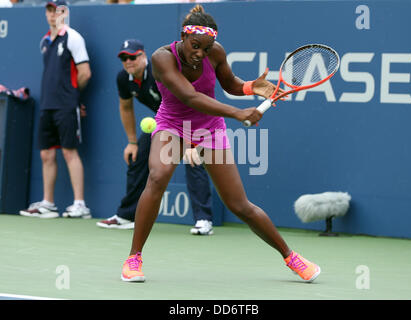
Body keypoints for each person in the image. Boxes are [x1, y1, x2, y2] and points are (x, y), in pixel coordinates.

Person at [121, 4, 321, 283]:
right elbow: (190, 97)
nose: (200, 53)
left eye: (206, 47)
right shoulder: (161, 58)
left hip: (208, 128)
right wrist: (238, 113)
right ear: (182, 37)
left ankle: (291, 257)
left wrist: (251, 87)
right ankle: (134, 258)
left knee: (239, 205)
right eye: (195, 46)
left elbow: (229, 84)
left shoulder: (215, 52)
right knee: (158, 176)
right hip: (173, 125)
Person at [96, 39, 215, 235]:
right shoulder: (123, 79)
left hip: (192, 117)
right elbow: (125, 107)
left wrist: (192, 141)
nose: (128, 62)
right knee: (138, 155)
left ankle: (204, 220)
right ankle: (127, 215)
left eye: (133, 57)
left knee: (193, 160)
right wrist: (132, 142)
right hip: (166, 121)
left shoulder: (159, 72)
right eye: (124, 58)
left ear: (143, 56)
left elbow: (189, 98)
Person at [19, 0, 92, 219]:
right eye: (49, 10)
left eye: (57, 10)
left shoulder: (73, 37)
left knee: (70, 152)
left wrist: (72, 96)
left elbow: (85, 72)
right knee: (46, 154)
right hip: (48, 106)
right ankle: (48, 203)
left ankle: (80, 204)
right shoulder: (44, 41)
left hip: (66, 106)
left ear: (65, 13)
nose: (53, 14)